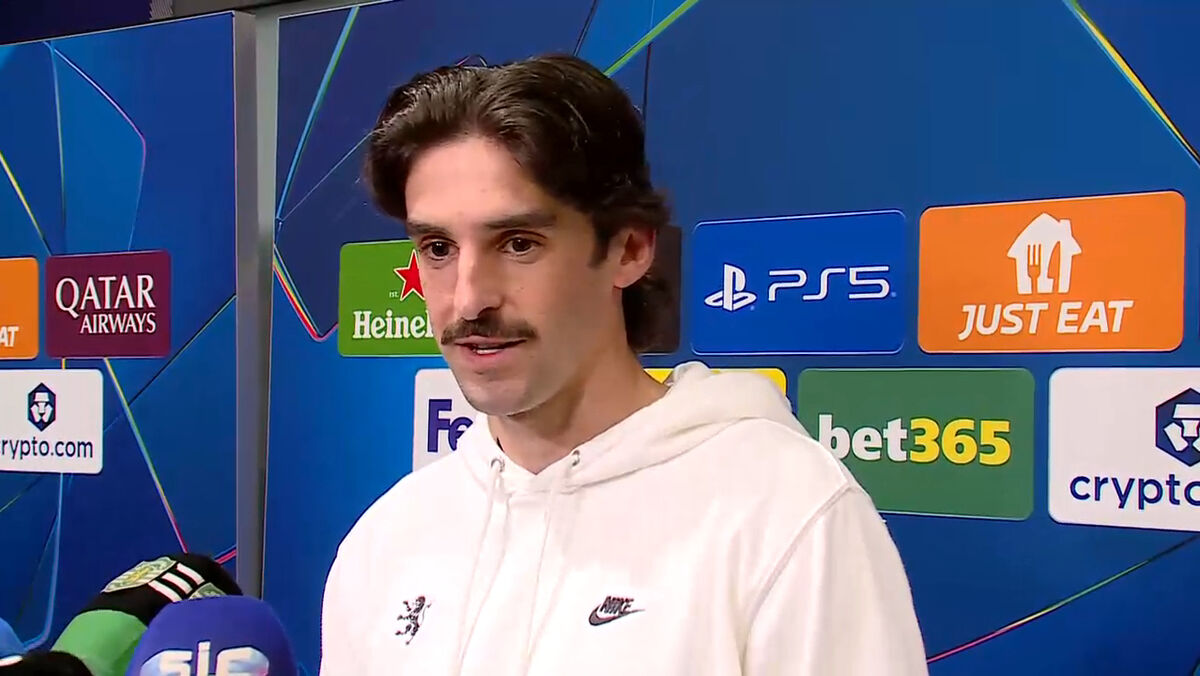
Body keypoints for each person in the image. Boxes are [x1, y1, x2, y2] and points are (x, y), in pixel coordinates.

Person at [320, 53, 927, 675]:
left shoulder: (785, 515)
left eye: (519, 243)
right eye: (438, 248)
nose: (469, 299)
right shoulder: (388, 539)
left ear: (630, 249)